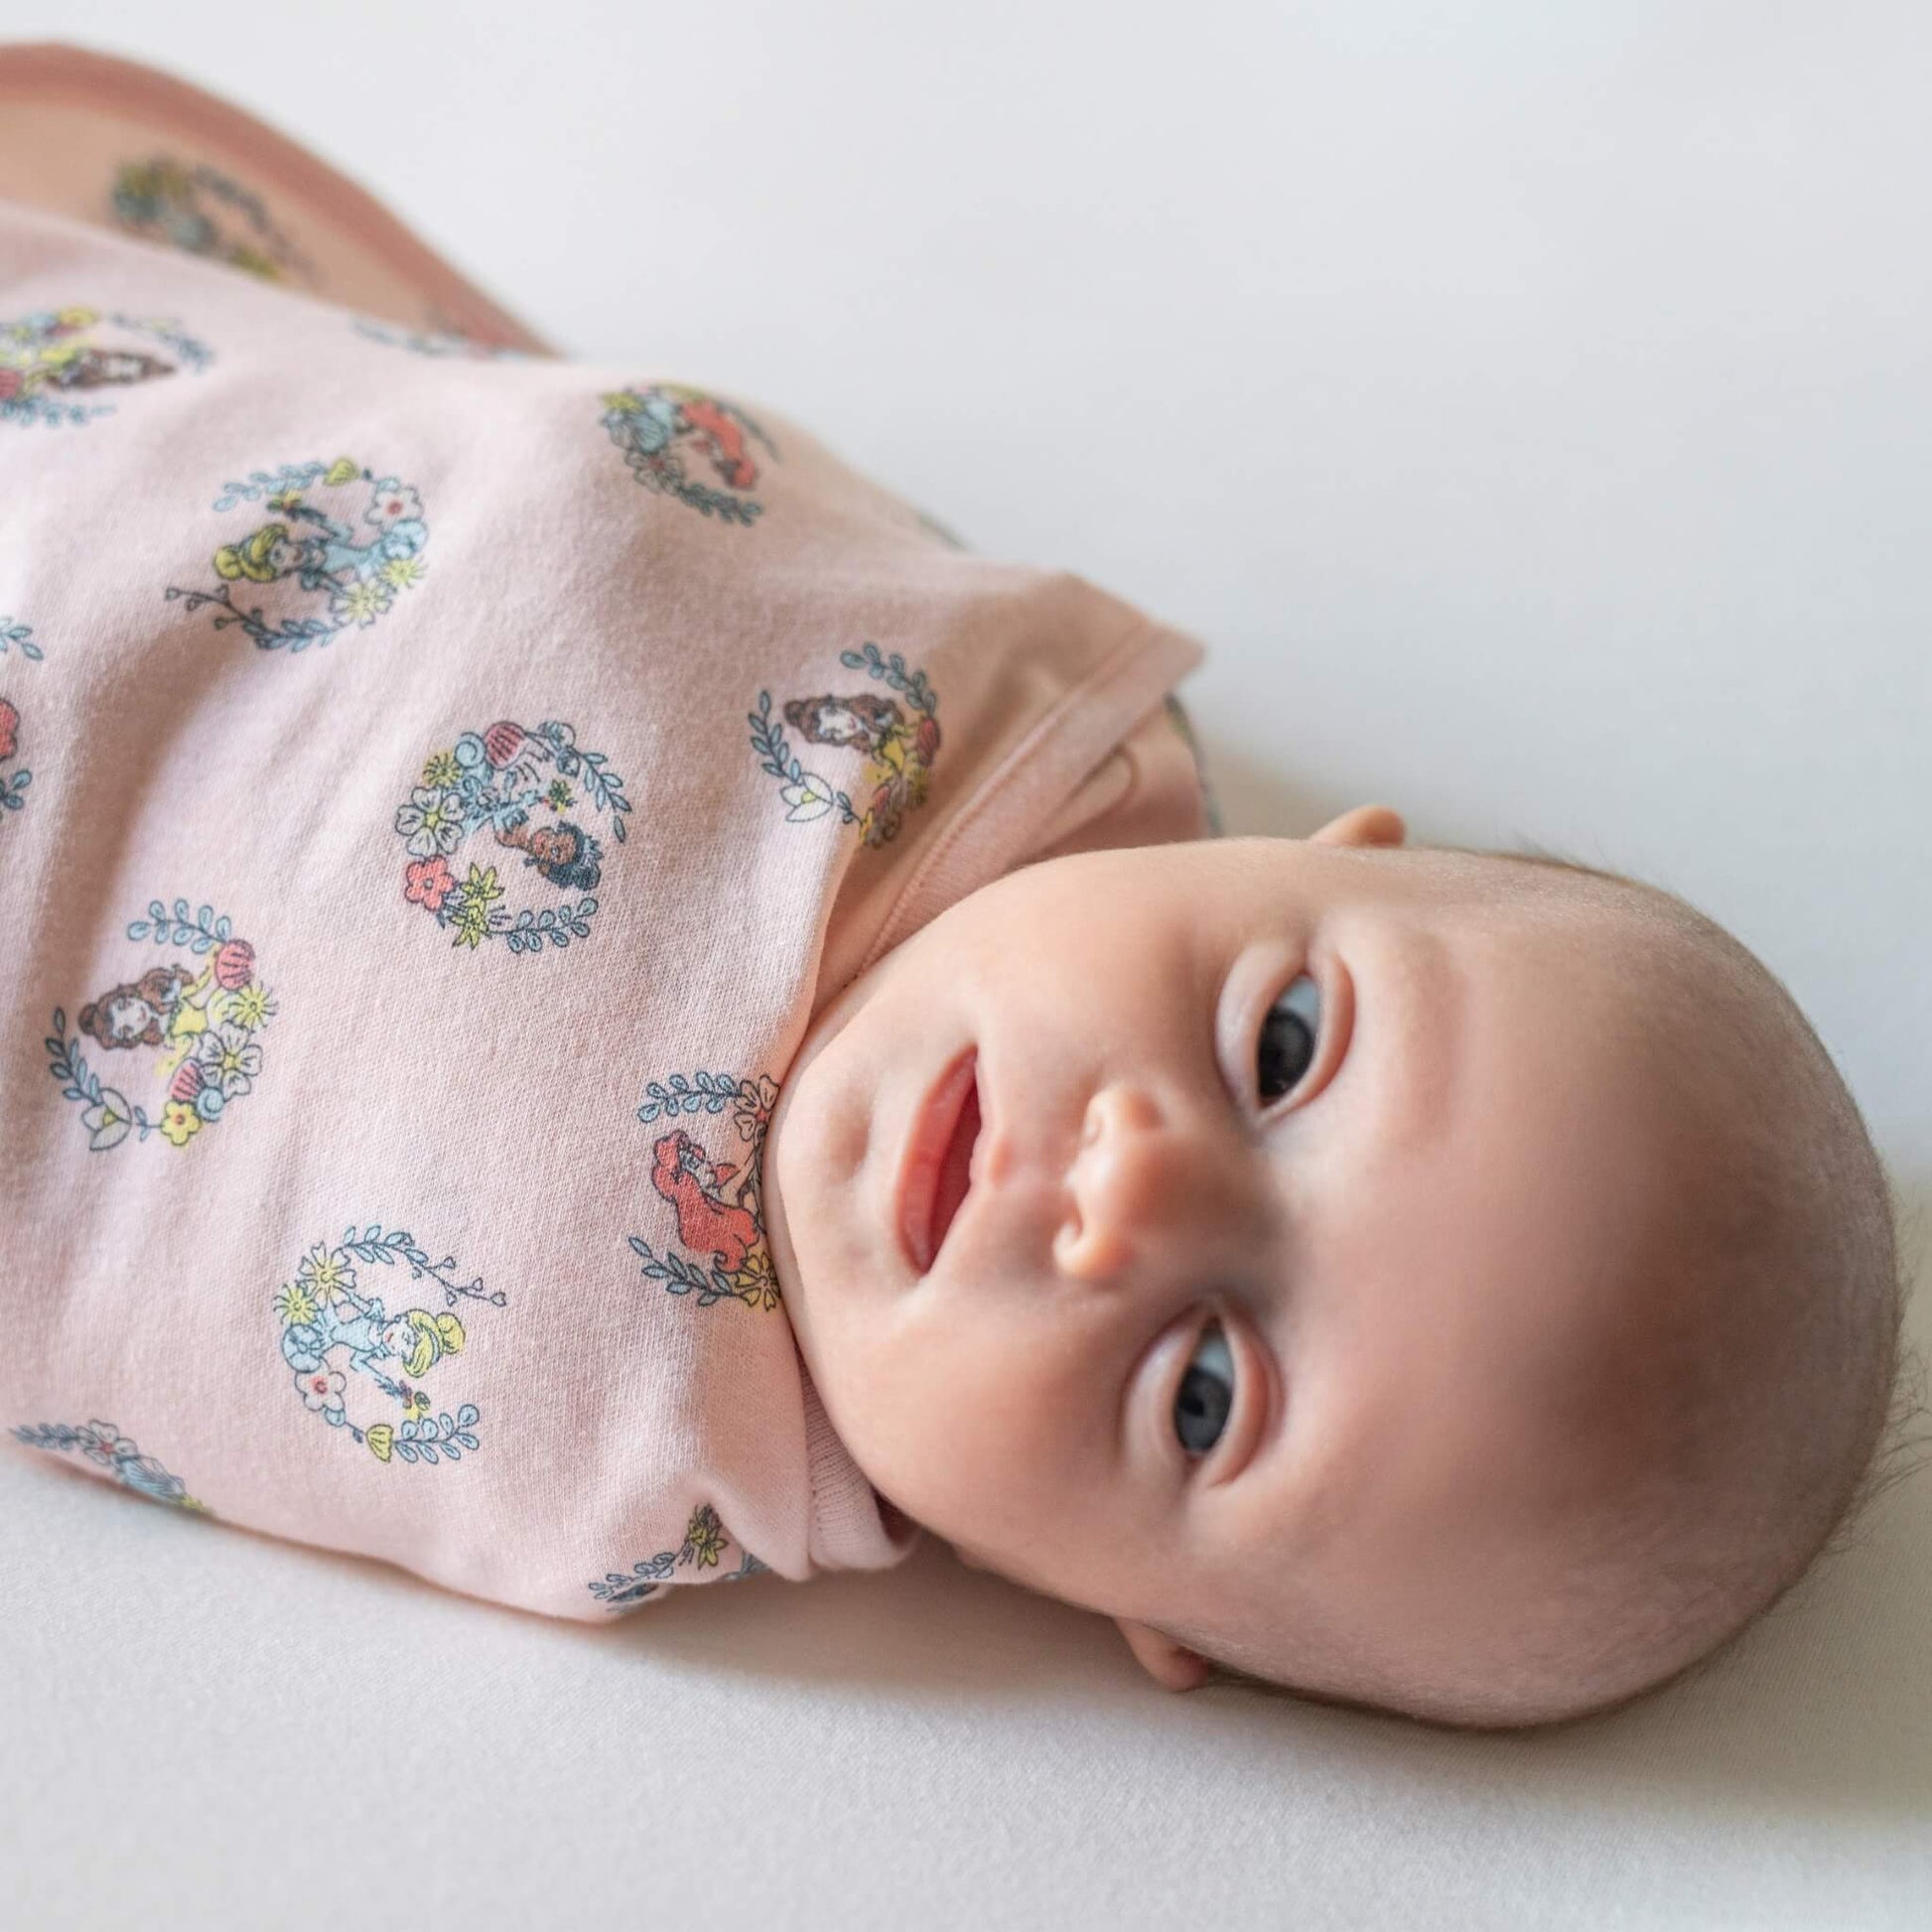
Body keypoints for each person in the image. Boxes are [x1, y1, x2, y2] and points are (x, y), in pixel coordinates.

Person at [0, 44, 1908, 1727]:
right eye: (1288, 1042)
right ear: (1320, 857)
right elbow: (570, 484)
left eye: (1202, 1396)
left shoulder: (626, 1456)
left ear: (1144, 1618)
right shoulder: (998, 710)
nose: (1131, 1190)